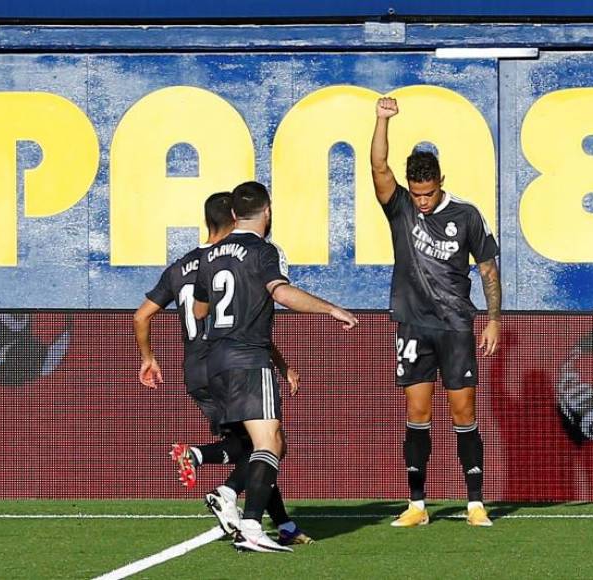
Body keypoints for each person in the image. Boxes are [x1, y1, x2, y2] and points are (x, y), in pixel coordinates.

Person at [133, 191, 313, 548]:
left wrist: (148, 358)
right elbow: (243, 322)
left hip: (197, 371)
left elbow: (141, 315)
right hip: (232, 361)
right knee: (268, 443)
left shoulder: (180, 266)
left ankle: (280, 521)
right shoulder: (234, 259)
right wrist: (281, 363)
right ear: (235, 219)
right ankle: (230, 493)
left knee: (256, 444)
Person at [193, 181, 359, 553]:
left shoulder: (210, 255)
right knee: (269, 442)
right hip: (249, 359)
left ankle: (230, 493)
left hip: (214, 362)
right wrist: (331, 308)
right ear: (267, 212)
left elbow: (199, 310)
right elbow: (281, 293)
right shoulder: (263, 251)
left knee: (269, 444)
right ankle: (250, 523)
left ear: (233, 215)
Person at [370, 96, 502, 528]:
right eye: (417, 193)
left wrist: (494, 319)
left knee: (463, 413)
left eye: (428, 193)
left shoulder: (466, 215)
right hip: (412, 324)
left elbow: (487, 268)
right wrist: (381, 121)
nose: (422, 201)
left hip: (456, 326)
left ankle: (476, 502)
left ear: (441, 183)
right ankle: (417, 505)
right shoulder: (402, 208)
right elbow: (379, 168)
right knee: (417, 413)